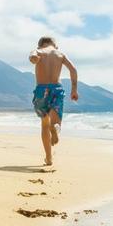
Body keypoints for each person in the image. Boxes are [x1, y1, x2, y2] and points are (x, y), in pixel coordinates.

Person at [29, 36, 78, 166]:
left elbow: (32, 56)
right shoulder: (60, 54)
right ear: (55, 45)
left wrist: (33, 58)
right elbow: (73, 69)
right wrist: (74, 90)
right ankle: (55, 128)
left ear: (40, 45)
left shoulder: (38, 51)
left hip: (41, 90)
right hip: (57, 89)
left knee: (44, 124)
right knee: (56, 122)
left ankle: (49, 158)